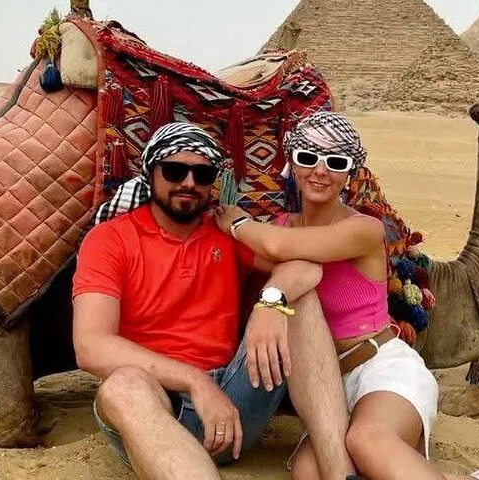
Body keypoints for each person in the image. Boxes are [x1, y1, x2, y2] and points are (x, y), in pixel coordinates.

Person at [215, 111, 479, 480]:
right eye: (308, 158)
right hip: (328, 384)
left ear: (350, 173)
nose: (320, 171)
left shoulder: (362, 230)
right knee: (307, 472)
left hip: (382, 368)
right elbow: (267, 256)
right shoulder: (281, 228)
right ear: (292, 164)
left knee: (368, 440)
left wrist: (236, 222)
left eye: (336, 162)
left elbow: (275, 247)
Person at [72, 122, 361, 480]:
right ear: (151, 173)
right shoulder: (109, 240)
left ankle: (340, 473)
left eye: (202, 174)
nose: (189, 183)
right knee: (122, 386)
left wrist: (269, 303)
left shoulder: (225, 233)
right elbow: (91, 347)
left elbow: (305, 267)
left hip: (232, 406)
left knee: (297, 301)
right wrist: (194, 381)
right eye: (174, 171)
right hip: (153, 407)